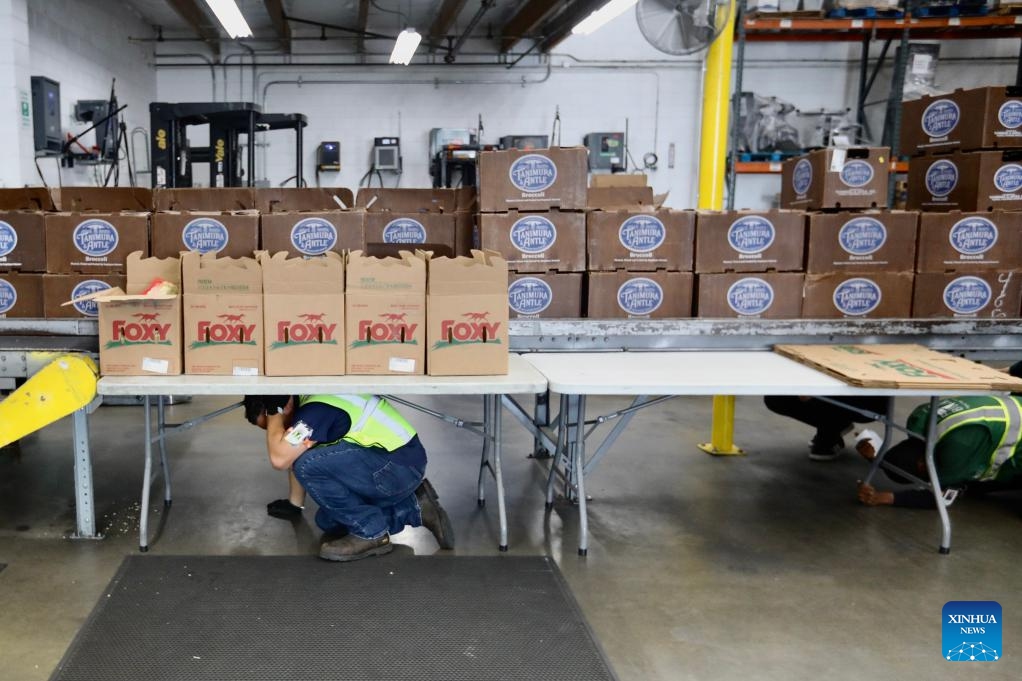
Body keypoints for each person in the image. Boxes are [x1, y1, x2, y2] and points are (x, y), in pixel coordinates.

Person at [243, 393, 455, 562]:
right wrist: (294, 504)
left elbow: (281, 459)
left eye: (276, 424)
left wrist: (274, 414)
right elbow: (292, 452)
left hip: (398, 469)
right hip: (394, 463)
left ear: (283, 405)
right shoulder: (310, 400)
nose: (277, 430)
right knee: (328, 521)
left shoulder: (314, 412)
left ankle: (372, 533)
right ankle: (415, 507)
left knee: (306, 465)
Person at [857, 394, 1022, 508]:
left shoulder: (957, 447)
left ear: (922, 465)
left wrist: (884, 498)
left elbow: (941, 497)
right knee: (973, 486)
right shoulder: (917, 420)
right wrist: (880, 461)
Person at [764, 395, 889, 460]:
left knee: (818, 396)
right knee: (776, 397)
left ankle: (831, 428)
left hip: (868, 396)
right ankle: (834, 425)